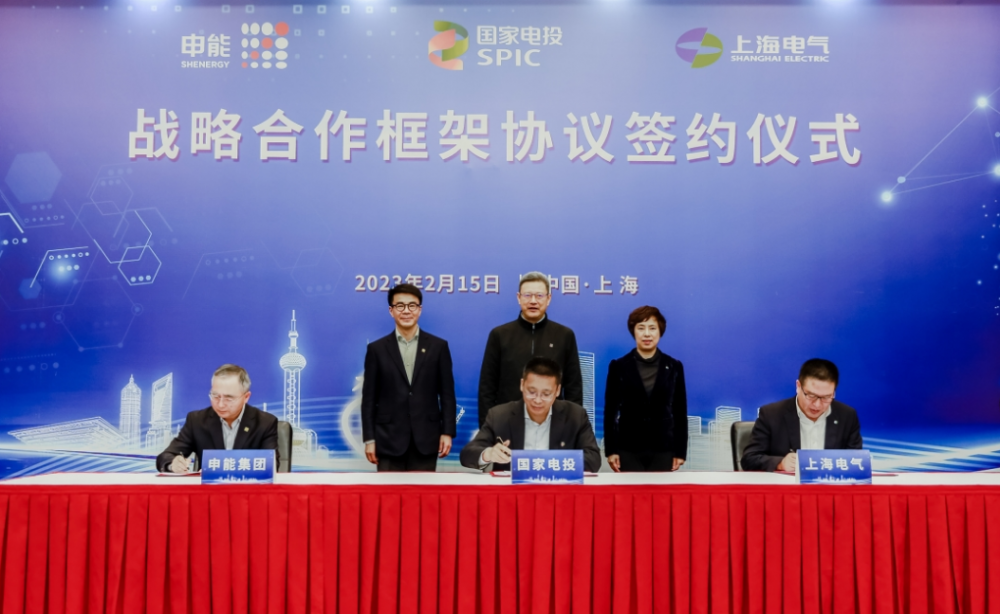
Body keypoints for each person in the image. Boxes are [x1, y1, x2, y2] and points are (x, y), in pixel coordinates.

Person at [361, 283, 457, 471]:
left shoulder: (438, 347)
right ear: (391, 311)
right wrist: (369, 439)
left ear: (420, 309)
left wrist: (447, 432)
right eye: (400, 306)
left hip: (427, 438)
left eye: (412, 305)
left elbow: (447, 394)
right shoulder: (376, 350)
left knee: (423, 490)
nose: (406, 311)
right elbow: (369, 399)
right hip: (387, 440)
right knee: (389, 490)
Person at [477, 271, 583, 427]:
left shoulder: (564, 335)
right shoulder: (500, 335)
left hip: (553, 425)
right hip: (507, 425)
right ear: (518, 298)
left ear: (549, 298)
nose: (533, 301)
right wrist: (488, 429)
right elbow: (487, 387)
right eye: (527, 295)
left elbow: (574, 388)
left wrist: (572, 428)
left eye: (539, 296)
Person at [461, 357, 601, 472]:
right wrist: (488, 454)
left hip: (558, 491)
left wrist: (550, 462)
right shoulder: (499, 415)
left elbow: (593, 460)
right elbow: (467, 455)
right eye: (532, 392)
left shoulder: (575, 416)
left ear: (558, 390)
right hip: (512, 493)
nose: (538, 400)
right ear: (522, 385)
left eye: (546, 394)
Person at [604, 306, 687, 472]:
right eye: (641, 328)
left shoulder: (674, 366)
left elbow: (680, 411)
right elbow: (610, 411)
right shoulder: (619, 366)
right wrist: (611, 450)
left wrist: (680, 451)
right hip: (628, 448)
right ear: (633, 331)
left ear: (660, 331)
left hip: (664, 448)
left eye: (652, 328)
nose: (647, 334)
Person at [740, 358, 863, 472]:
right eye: (811, 395)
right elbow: (749, 459)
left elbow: (856, 462)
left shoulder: (847, 416)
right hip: (788, 487)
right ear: (798, 386)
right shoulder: (771, 414)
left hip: (830, 486)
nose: (817, 405)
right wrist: (780, 463)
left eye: (826, 397)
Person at [157, 364, 278, 473]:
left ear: (246, 397)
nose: (220, 404)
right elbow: (166, 456)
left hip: (248, 488)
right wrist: (172, 464)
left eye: (229, 398)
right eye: (215, 396)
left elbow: (271, 464)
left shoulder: (264, 423)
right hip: (209, 489)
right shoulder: (197, 421)